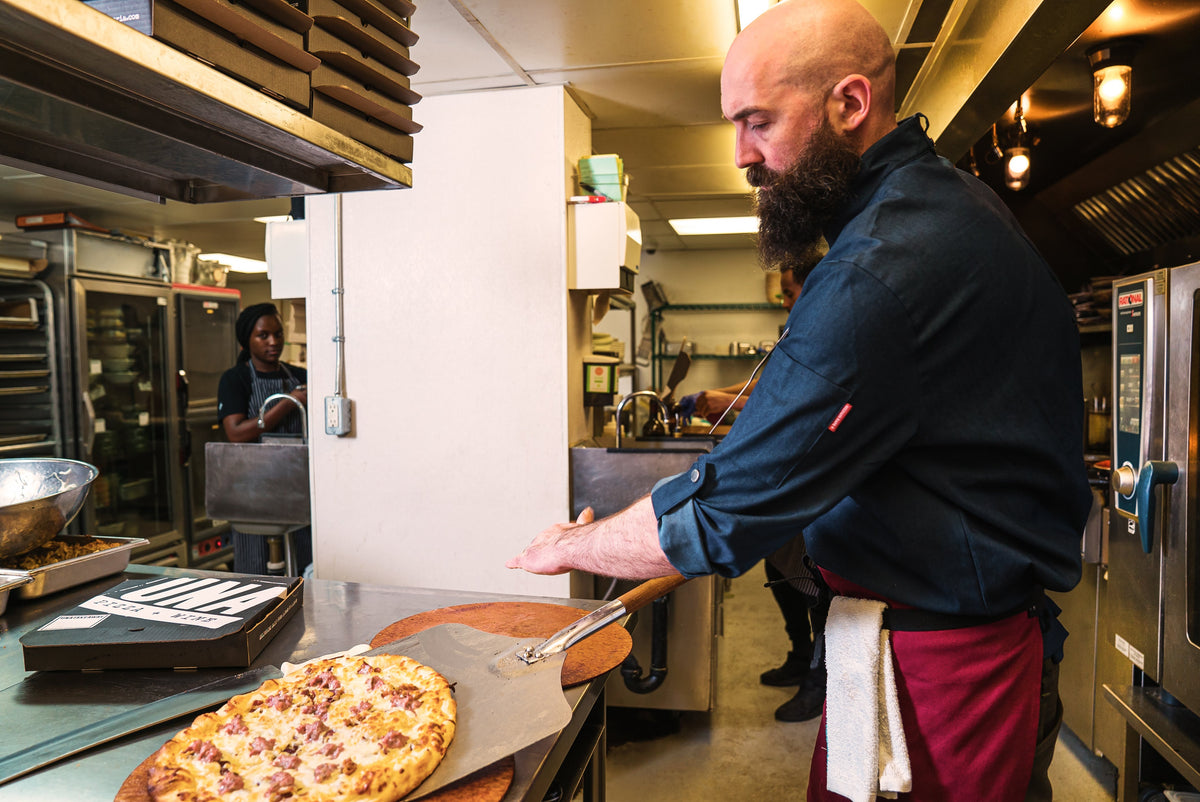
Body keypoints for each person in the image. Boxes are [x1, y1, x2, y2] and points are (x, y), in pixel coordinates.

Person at [509, 1, 1091, 799]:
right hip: (938, 636)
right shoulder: (943, 205)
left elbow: (722, 512)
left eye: (758, 121)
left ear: (849, 105)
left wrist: (568, 548)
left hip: (952, 667)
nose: (743, 155)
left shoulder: (877, 271)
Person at [682, 264, 830, 723]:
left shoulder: (827, 329)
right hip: (789, 476)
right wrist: (716, 396)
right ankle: (799, 654)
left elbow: (795, 402)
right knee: (779, 566)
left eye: (790, 291)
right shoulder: (799, 330)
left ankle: (819, 681)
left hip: (815, 477)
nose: (785, 301)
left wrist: (723, 403)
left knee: (816, 586)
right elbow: (766, 387)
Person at [216, 302, 313, 576]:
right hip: (253, 495)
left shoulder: (301, 376)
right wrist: (288, 403)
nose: (274, 342)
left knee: (303, 569)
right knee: (256, 575)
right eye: (263, 336)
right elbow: (236, 433)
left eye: (278, 334)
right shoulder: (235, 380)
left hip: (297, 491)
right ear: (247, 340)